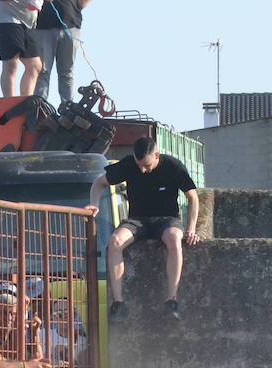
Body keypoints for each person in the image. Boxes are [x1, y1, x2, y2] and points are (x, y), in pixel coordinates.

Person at [86, 135, 200, 320]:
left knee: (174, 238)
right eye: (139, 165)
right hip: (137, 220)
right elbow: (99, 184)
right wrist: (94, 204)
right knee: (115, 241)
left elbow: (193, 197)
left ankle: (172, 300)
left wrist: (191, 228)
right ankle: (118, 303)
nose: (142, 170)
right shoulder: (129, 164)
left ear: (157, 155)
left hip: (167, 219)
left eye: (146, 165)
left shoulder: (173, 166)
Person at [33, 0, 91, 108]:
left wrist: (78, 6)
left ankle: (68, 107)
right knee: (42, 71)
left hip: (71, 24)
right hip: (43, 25)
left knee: (67, 72)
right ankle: (39, 107)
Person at [0, 0, 43, 98]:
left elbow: (33, 6)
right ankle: (10, 101)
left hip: (27, 24)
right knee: (11, 63)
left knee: (34, 65)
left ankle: (26, 102)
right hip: (6, 21)